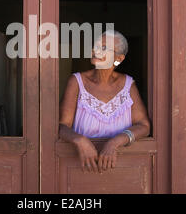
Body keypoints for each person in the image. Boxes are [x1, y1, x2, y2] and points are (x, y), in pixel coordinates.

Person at [59, 30, 151, 173]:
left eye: (103, 48)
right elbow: (62, 126)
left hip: (123, 169)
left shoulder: (128, 84)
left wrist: (115, 142)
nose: (95, 50)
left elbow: (144, 126)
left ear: (119, 58)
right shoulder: (77, 82)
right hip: (80, 168)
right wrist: (80, 141)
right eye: (95, 46)